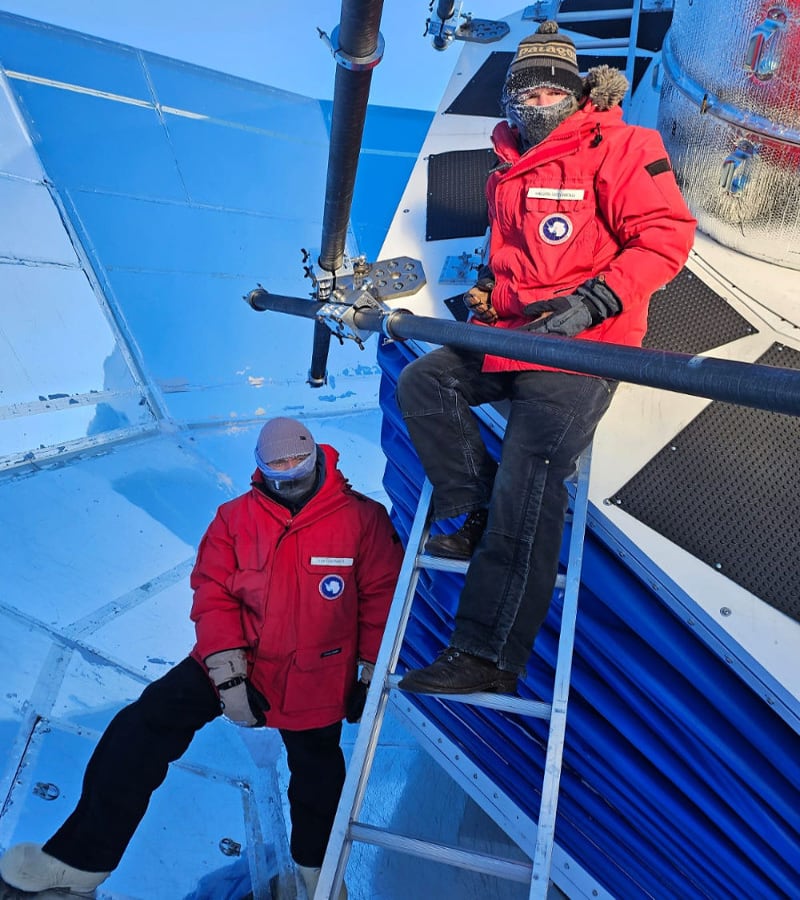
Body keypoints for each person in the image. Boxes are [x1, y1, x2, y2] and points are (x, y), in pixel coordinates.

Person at [396, 21, 697, 695]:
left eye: (550, 92)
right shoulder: (506, 164)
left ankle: (486, 657)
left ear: (574, 94)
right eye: (525, 93)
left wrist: (594, 302)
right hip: (515, 333)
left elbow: (667, 238)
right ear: (509, 101)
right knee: (425, 383)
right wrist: (487, 290)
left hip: (583, 346)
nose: (537, 103)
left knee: (527, 489)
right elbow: (520, 255)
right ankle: (466, 510)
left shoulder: (621, 146)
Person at [0, 417, 403, 898]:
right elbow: (213, 594)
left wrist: (368, 669)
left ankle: (318, 881)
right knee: (141, 727)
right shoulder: (234, 519)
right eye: (277, 470)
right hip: (240, 661)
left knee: (318, 776)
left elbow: (381, 597)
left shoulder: (363, 519)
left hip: (319, 673)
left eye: (298, 466)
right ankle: (79, 860)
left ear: (317, 458)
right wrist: (228, 674)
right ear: (260, 470)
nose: (289, 477)